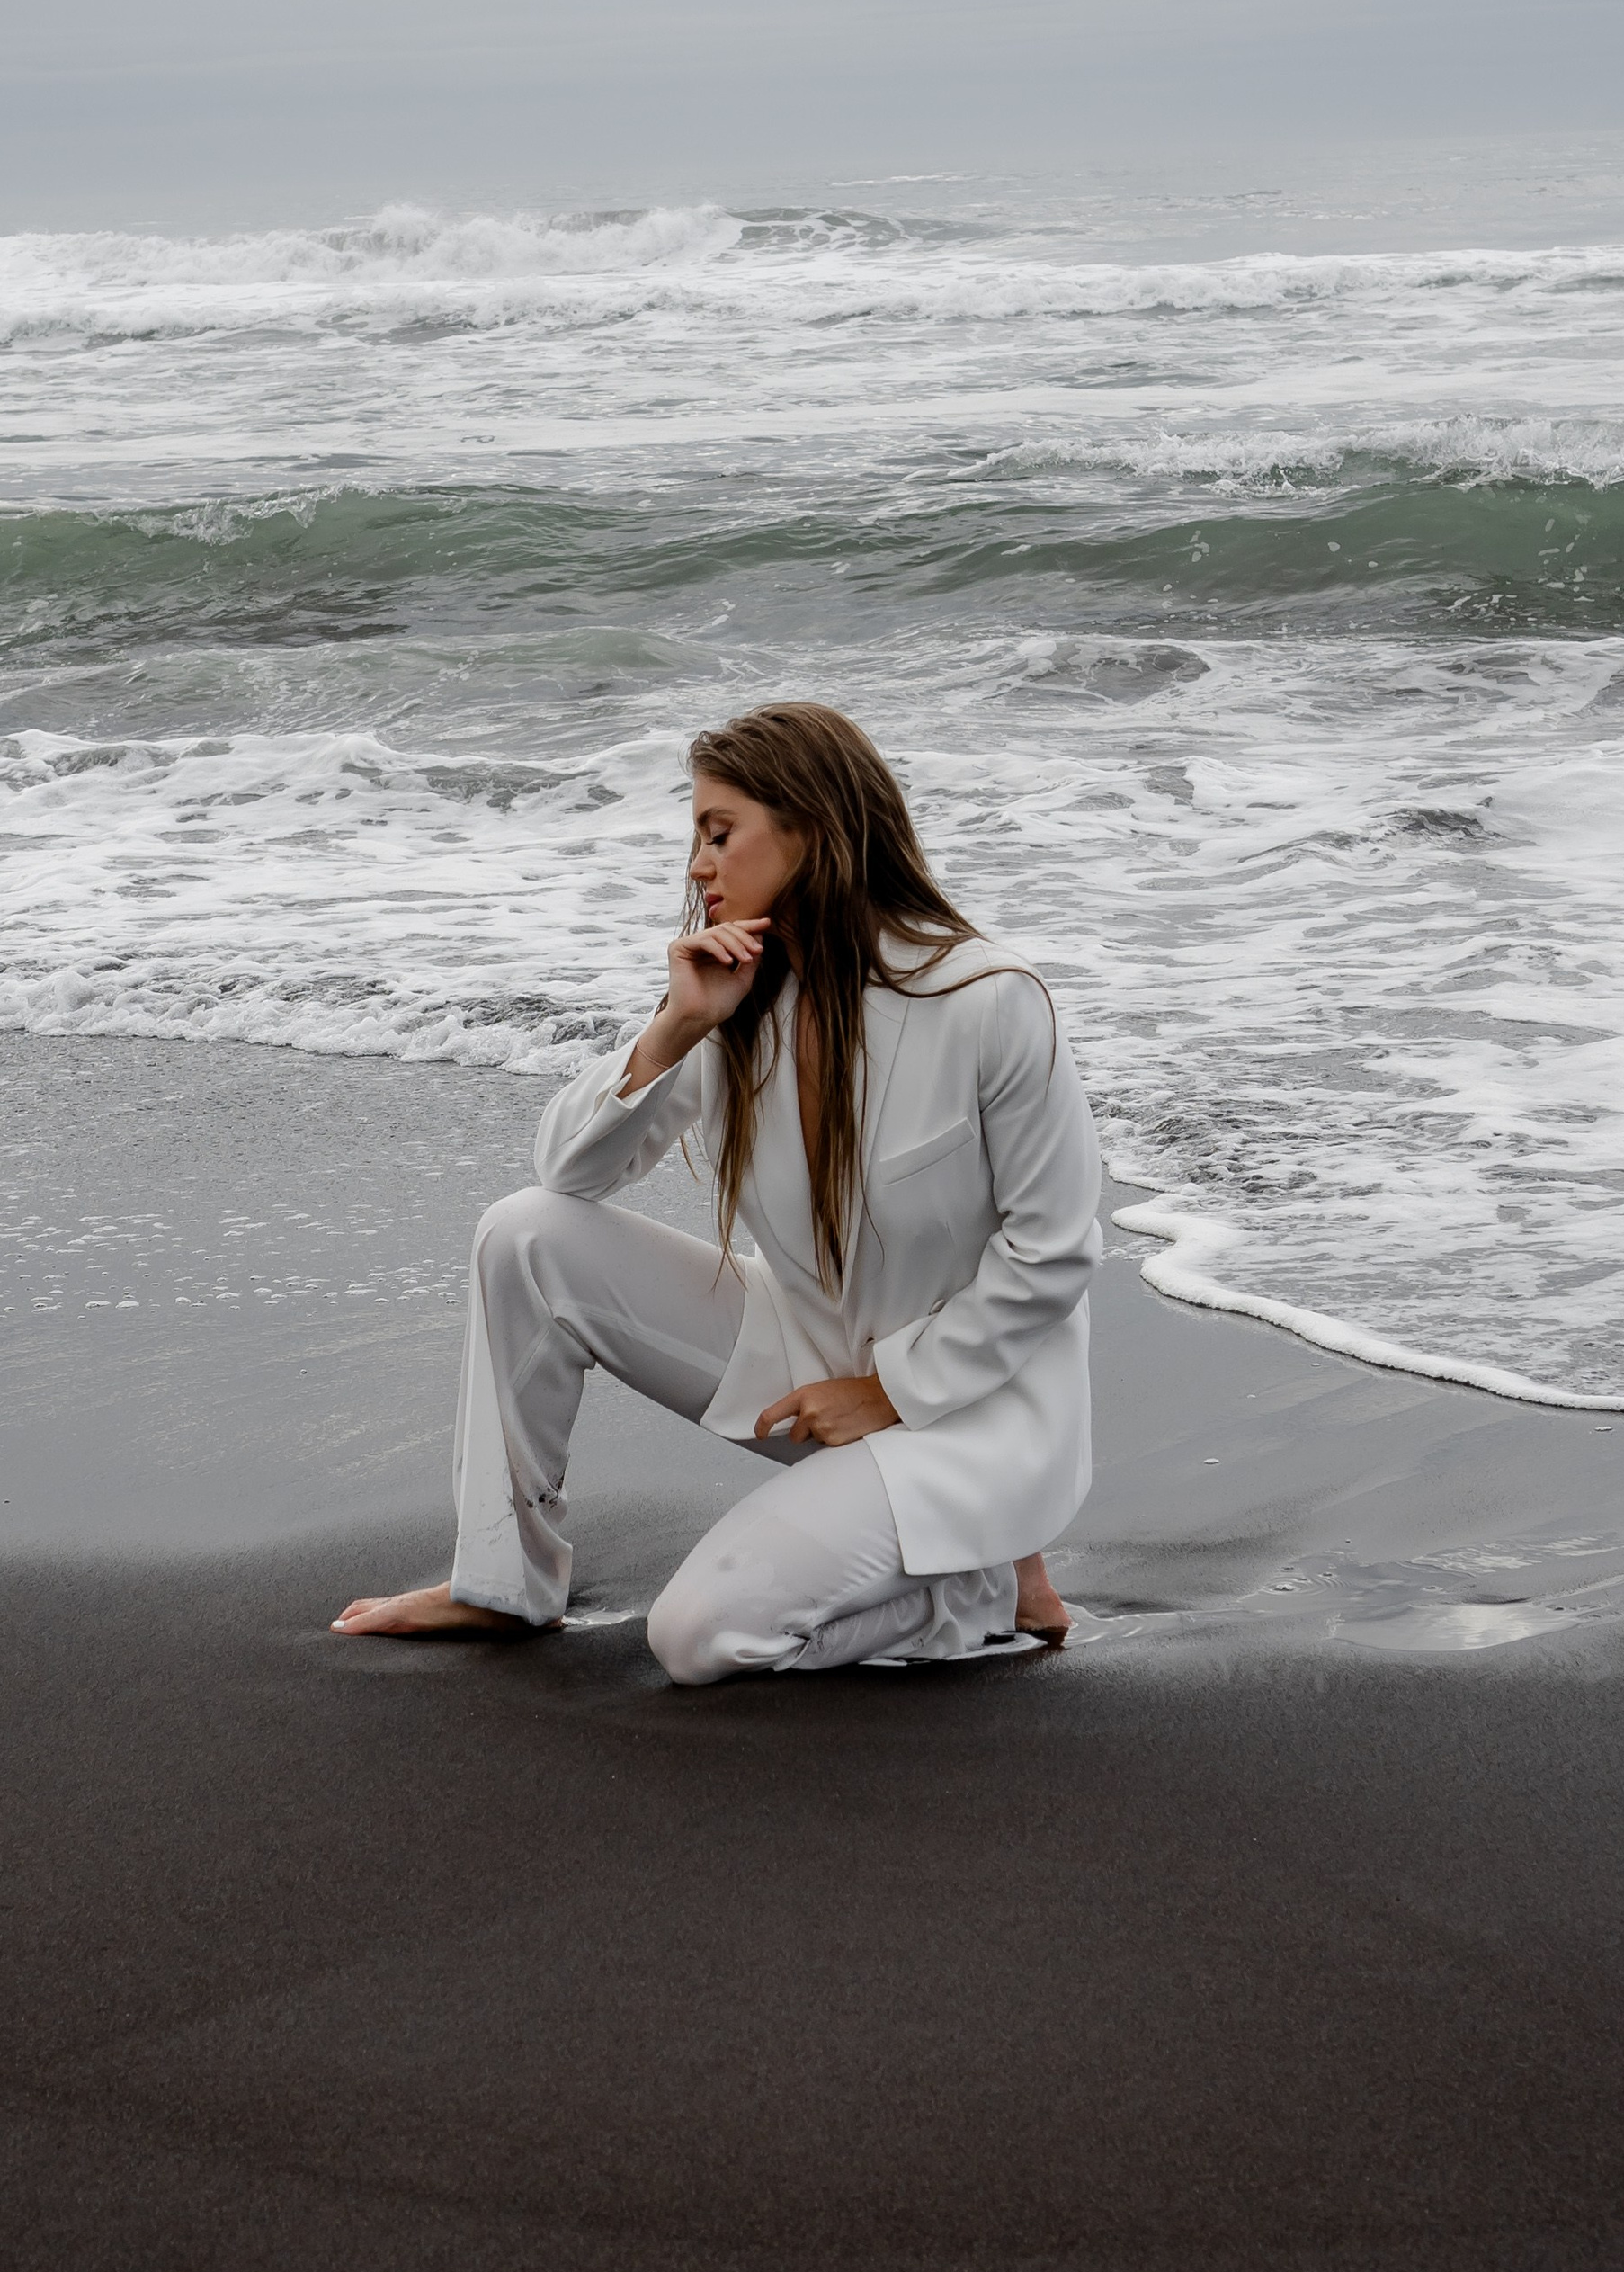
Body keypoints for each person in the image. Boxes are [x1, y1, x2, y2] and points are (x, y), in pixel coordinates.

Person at [334, 701, 1102, 1682]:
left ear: (811, 832)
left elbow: (1056, 1250)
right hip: (805, 1363)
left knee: (699, 1638)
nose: (698, 866)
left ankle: (983, 1588)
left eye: (717, 832)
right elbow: (569, 1173)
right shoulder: (741, 1001)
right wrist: (676, 1028)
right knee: (524, 1235)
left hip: (971, 1419)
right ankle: (504, 1587)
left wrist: (888, 1393)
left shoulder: (989, 1001)